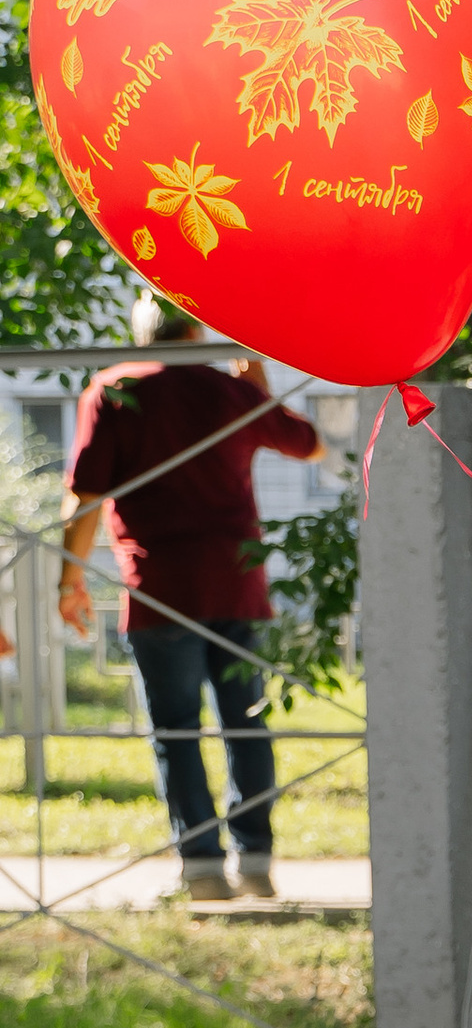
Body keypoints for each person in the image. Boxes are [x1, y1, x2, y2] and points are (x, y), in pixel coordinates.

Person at [59, 293, 323, 905]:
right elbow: (306, 443)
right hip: (237, 584)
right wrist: (255, 378)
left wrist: (67, 581)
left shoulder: (116, 388)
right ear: (198, 328)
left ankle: (203, 869)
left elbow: (87, 497)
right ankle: (255, 860)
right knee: (246, 724)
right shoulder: (227, 391)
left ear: (141, 330)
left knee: (177, 729)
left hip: (161, 592)